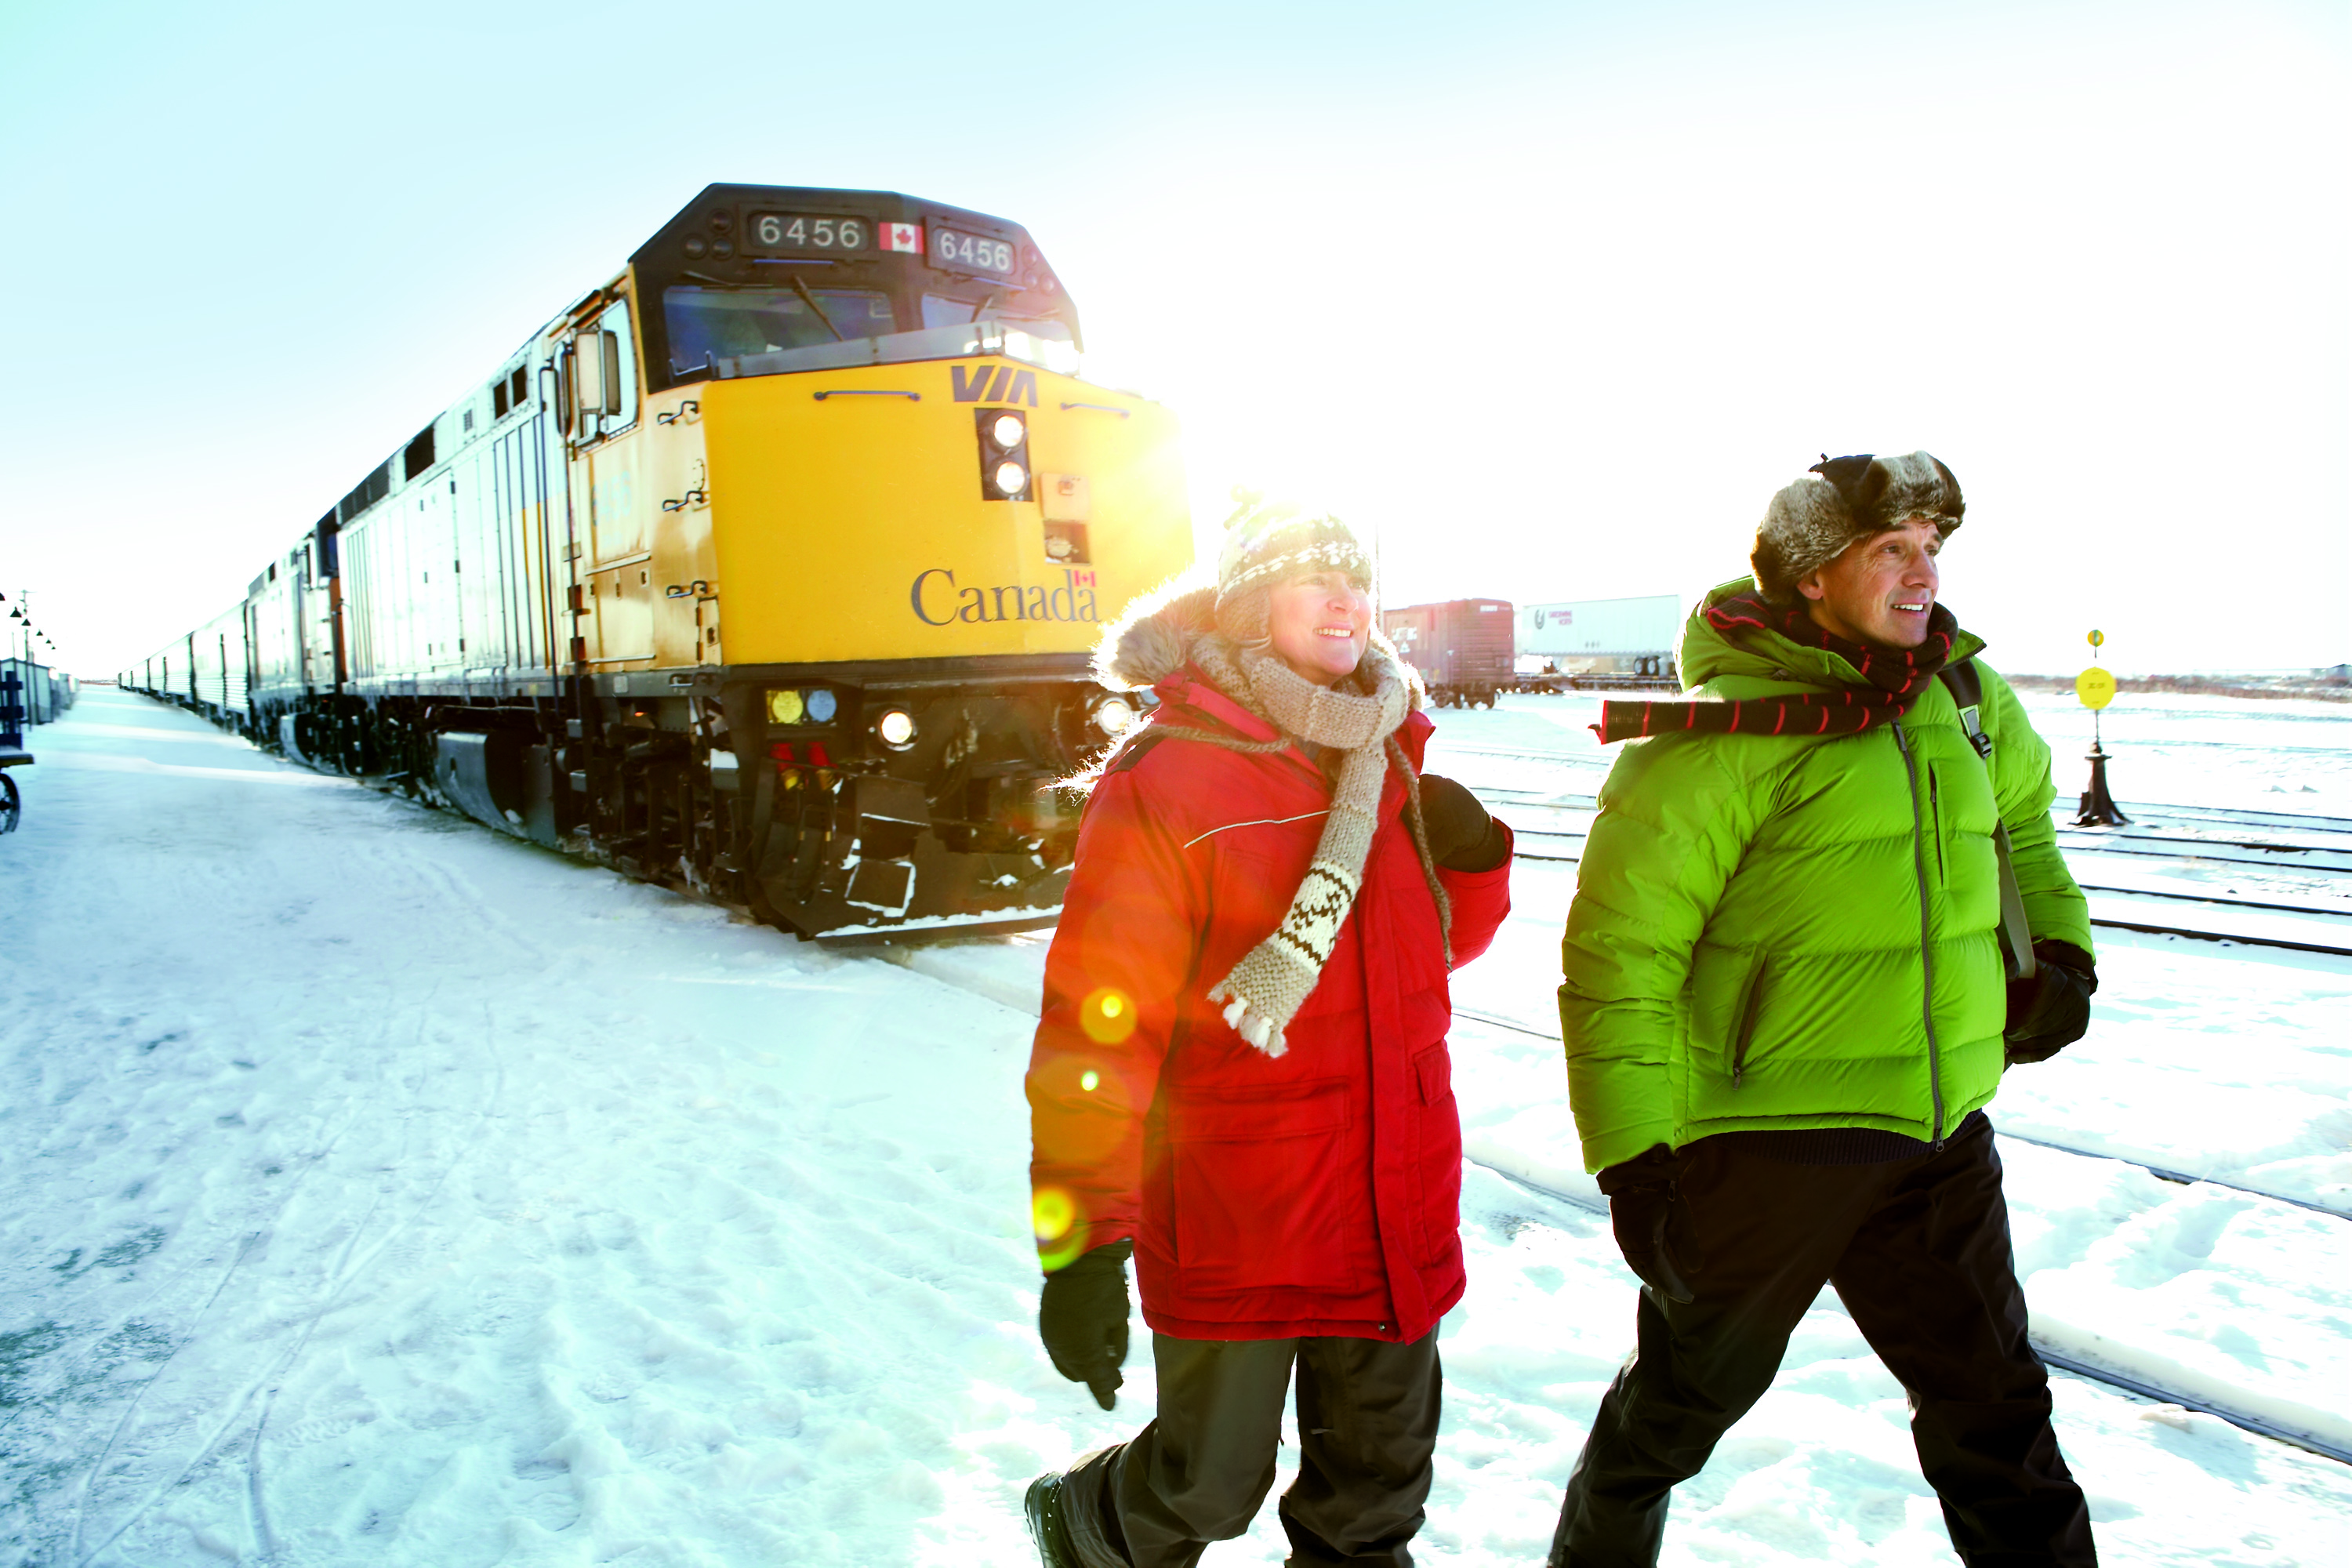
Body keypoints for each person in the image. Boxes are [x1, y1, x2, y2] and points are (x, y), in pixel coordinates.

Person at [1550, 453, 2100, 1567]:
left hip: (1937, 1131)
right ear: (1811, 576)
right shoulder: (1721, 737)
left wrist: (2061, 956)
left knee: (1999, 1416)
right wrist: (1636, 1157)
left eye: (1931, 548)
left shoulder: (1964, 697)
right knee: (1671, 1418)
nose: (1922, 574)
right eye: (1890, 549)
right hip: (1768, 1147)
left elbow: (2028, 833)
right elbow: (1622, 958)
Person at [1022, 503, 1514, 1568]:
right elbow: (1098, 1028)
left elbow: (1422, 962)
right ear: (1252, 602)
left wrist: (1473, 862)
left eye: (1356, 575)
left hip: (1393, 1194)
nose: (1347, 598)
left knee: (1375, 1503)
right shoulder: (1172, 777)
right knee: (1204, 1487)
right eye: (1311, 576)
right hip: (1241, 1204)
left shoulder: (1390, 759)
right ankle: (1084, 1524)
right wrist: (1082, 1246)